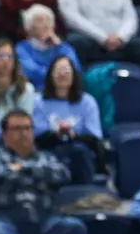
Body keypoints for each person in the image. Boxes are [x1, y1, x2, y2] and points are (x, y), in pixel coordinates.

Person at [0, 110, 85, 234]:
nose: (24, 133)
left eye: (28, 128)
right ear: (4, 134)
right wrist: (40, 175)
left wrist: (22, 168)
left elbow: (62, 174)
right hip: (3, 216)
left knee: (73, 227)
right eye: (17, 129)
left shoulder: (45, 157)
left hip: (44, 217)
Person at [33, 55, 102, 183]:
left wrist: (73, 135)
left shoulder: (88, 102)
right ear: (51, 75)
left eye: (66, 70)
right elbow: (37, 136)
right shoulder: (38, 102)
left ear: (74, 75)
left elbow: (94, 138)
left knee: (79, 151)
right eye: (59, 70)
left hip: (80, 150)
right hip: (50, 148)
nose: (63, 74)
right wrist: (57, 134)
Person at [15, 3, 80, 87]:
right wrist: (59, 73)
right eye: (39, 20)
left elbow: (75, 70)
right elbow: (32, 73)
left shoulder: (64, 48)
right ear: (29, 28)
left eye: (48, 20)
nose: (46, 24)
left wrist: (59, 47)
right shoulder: (21, 48)